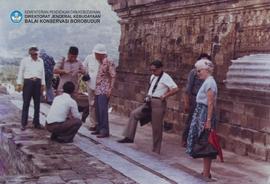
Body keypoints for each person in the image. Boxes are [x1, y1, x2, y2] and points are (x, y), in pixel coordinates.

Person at [118, 60, 179, 154]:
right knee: (134, 114)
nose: (152, 72)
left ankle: (156, 148)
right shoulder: (153, 77)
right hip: (149, 101)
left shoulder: (166, 77)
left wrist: (165, 95)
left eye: (154, 70)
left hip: (158, 102)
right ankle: (129, 136)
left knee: (156, 126)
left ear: (160, 68)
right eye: (151, 70)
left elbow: (175, 88)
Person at [186, 58, 217, 178]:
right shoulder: (208, 82)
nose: (197, 73)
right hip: (201, 112)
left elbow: (210, 102)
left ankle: (206, 172)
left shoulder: (209, 82)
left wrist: (208, 120)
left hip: (204, 113)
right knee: (204, 142)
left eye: (199, 71)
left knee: (206, 141)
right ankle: (205, 171)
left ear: (206, 70)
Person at [182, 53, 211, 147]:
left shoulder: (209, 75)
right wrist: (187, 102)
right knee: (191, 120)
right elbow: (188, 89)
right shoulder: (194, 72)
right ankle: (185, 139)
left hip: (205, 100)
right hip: (195, 99)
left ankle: (197, 141)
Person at [16, 47, 45, 131]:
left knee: (37, 104)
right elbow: (21, 72)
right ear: (30, 54)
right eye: (33, 54)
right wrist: (19, 83)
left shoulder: (41, 61)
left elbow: (43, 73)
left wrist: (43, 85)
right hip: (28, 82)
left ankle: (36, 123)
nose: (35, 56)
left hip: (38, 83)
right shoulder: (25, 61)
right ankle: (23, 123)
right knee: (26, 103)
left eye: (36, 54)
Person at [91, 44, 116, 138]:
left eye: (96, 54)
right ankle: (99, 128)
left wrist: (110, 89)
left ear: (100, 54)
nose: (95, 56)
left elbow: (113, 75)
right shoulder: (101, 62)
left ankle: (104, 130)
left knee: (102, 110)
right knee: (97, 110)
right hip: (98, 89)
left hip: (104, 89)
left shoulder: (109, 61)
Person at [82, 45, 101, 131]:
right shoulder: (89, 58)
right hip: (90, 84)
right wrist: (85, 74)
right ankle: (93, 124)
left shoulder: (103, 60)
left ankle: (99, 123)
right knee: (91, 104)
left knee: (100, 105)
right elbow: (83, 67)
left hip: (100, 86)